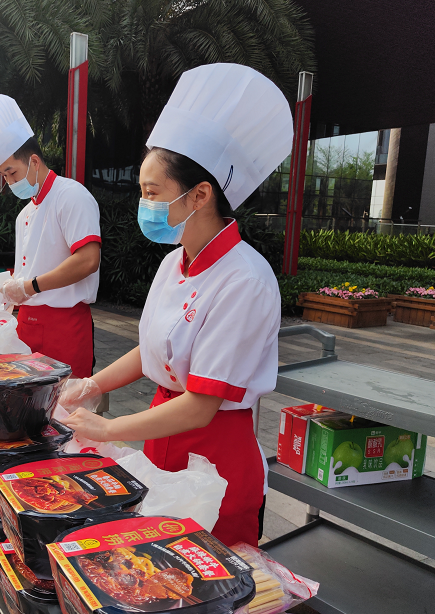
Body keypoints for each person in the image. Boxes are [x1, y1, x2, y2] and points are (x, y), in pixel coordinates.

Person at [60, 64, 293, 547]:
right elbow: (153, 349)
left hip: (215, 461)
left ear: (200, 195)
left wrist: (109, 428)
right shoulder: (174, 262)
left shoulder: (245, 280)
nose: (143, 205)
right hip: (161, 439)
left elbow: (202, 405)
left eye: (152, 193)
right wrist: (93, 384)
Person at [0, 95, 101, 377]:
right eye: (4, 175)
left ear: (34, 161)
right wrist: (6, 285)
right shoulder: (24, 214)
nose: (9, 182)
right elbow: (32, 268)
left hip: (64, 326)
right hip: (26, 325)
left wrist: (29, 287)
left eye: (11, 172)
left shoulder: (71, 195)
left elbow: (88, 260)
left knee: (67, 400)